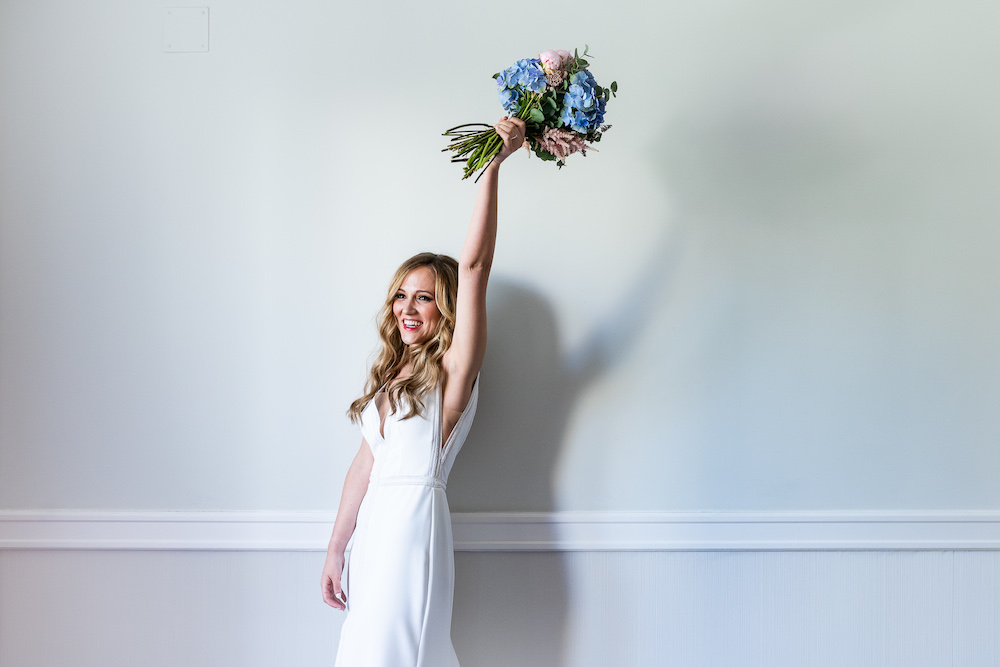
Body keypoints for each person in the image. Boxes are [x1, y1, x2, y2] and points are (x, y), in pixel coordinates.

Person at [321, 116, 527, 667]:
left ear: (447, 311)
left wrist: (492, 165)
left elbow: (476, 266)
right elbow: (363, 468)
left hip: (414, 528)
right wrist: (338, 547)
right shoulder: (390, 378)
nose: (407, 309)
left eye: (425, 299)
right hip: (373, 535)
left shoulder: (455, 371)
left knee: (401, 654)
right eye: (401, 296)